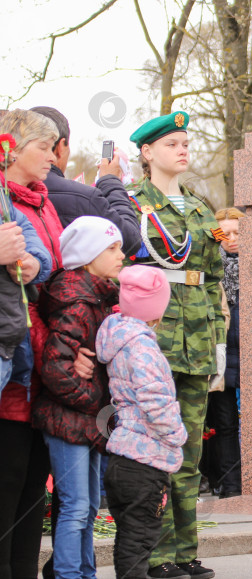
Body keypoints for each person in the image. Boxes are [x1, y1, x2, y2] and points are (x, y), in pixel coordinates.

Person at [127, 111, 225, 579]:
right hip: (153, 344)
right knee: (155, 451)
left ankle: (185, 549)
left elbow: (212, 282)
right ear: (147, 153)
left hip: (197, 343)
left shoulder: (201, 210)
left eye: (186, 143)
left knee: (189, 454)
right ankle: (158, 553)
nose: (183, 150)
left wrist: (219, 346)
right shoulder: (131, 205)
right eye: (172, 144)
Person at [33, 216, 124, 578]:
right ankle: (71, 574)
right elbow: (55, 368)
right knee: (75, 505)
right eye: (112, 248)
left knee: (86, 508)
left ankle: (85, 572)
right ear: (88, 256)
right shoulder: (77, 301)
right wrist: (95, 404)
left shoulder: (96, 296)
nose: (121, 256)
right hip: (67, 418)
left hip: (84, 419)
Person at [97, 265, 188, 578]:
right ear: (156, 309)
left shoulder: (117, 338)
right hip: (146, 459)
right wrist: (177, 434)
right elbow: (155, 399)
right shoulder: (143, 346)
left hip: (121, 455)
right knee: (141, 537)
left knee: (128, 536)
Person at [0, 201, 52, 579]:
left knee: (30, 487)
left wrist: (32, 262)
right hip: (13, 373)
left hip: (28, 373)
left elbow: (41, 254)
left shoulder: (9, 203)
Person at [29, 106, 140, 254]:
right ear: (60, 147)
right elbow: (129, 239)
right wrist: (110, 181)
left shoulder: (7, 190)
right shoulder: (85, 198)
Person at [210, 207, 244, 498]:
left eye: (238, 233)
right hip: (222, 356)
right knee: (224, 424)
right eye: (225, 233)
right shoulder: (211, 268)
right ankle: (231, 486)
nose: (232, 239)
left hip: (251, 356)